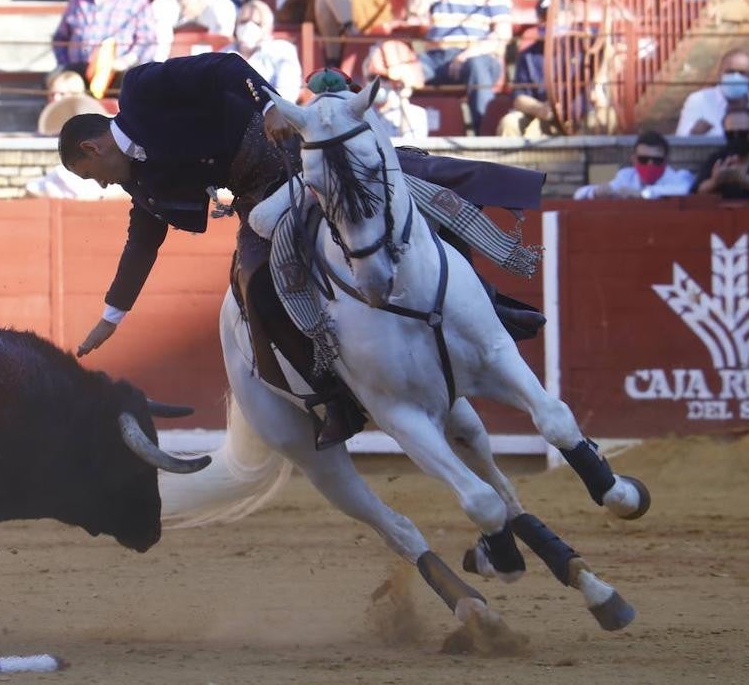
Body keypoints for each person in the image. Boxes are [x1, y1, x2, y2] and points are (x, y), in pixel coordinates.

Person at [58, 54, 546, 450]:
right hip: (257, 199)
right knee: (257, 290)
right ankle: (334, 397)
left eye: (89, 173)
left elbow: (224, 66)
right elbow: (142, 243)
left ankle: (490, 304)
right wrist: (112, 316)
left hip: (303, 155)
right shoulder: (141, 186)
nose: (98, 183)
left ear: (91, 148)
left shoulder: (143, 89)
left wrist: (268, 103)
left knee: (421, 190)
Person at [419, 0, 512, 135]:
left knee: (476, 65)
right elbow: (413, 14)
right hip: (435, 59)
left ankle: (485, 138)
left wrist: (466, 55)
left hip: (479, 55)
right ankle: (395, 138)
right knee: (402, 68)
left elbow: (503, 34)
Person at [52, 0, 158, 80]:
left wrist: (126, 61)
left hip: (119, 74)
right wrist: (65, 65)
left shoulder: (136, 1)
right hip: (78, 73)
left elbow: (148, 41)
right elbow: (60, 38)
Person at [498, 0, 558, 138]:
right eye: (544, 17)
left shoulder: (580, 48)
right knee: (509, 122)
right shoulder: (528, 55)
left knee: (601, 118)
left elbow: (606, 50)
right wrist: (540, 109)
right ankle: (509, 160)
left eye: (553, 17)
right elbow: (519, 98)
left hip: (576, 117)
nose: (548, 23)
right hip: (539, 115)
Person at [221, 0, 301, 102]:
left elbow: (287, 95)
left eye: (257, 23)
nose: (248, 27)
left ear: (268, 28)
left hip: (270, 114)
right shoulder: (223, 55)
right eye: (243, 21)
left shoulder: (283, 52)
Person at [574, 131, 694, 200]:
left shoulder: (678, 177)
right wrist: (596, 192)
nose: (650, 164)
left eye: (656, 160)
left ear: (666, 160)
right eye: (643, 159)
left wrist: (642, 194)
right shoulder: (626, 176)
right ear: (634, 159)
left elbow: (683, 190)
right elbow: (578, 194)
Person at [151, 0, 239, 62]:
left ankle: (221, 62)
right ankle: (157, 63)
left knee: (225, 7)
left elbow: (236, 0)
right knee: (160, 5)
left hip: (209, 7)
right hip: (180, 3)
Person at [363, 40, 428, 139]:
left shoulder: (416, 114)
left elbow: (411, 148)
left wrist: (403, 101)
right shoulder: (360, 115)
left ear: (399, 83)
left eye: (384, 79)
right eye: (372, 78)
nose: (376, 83)